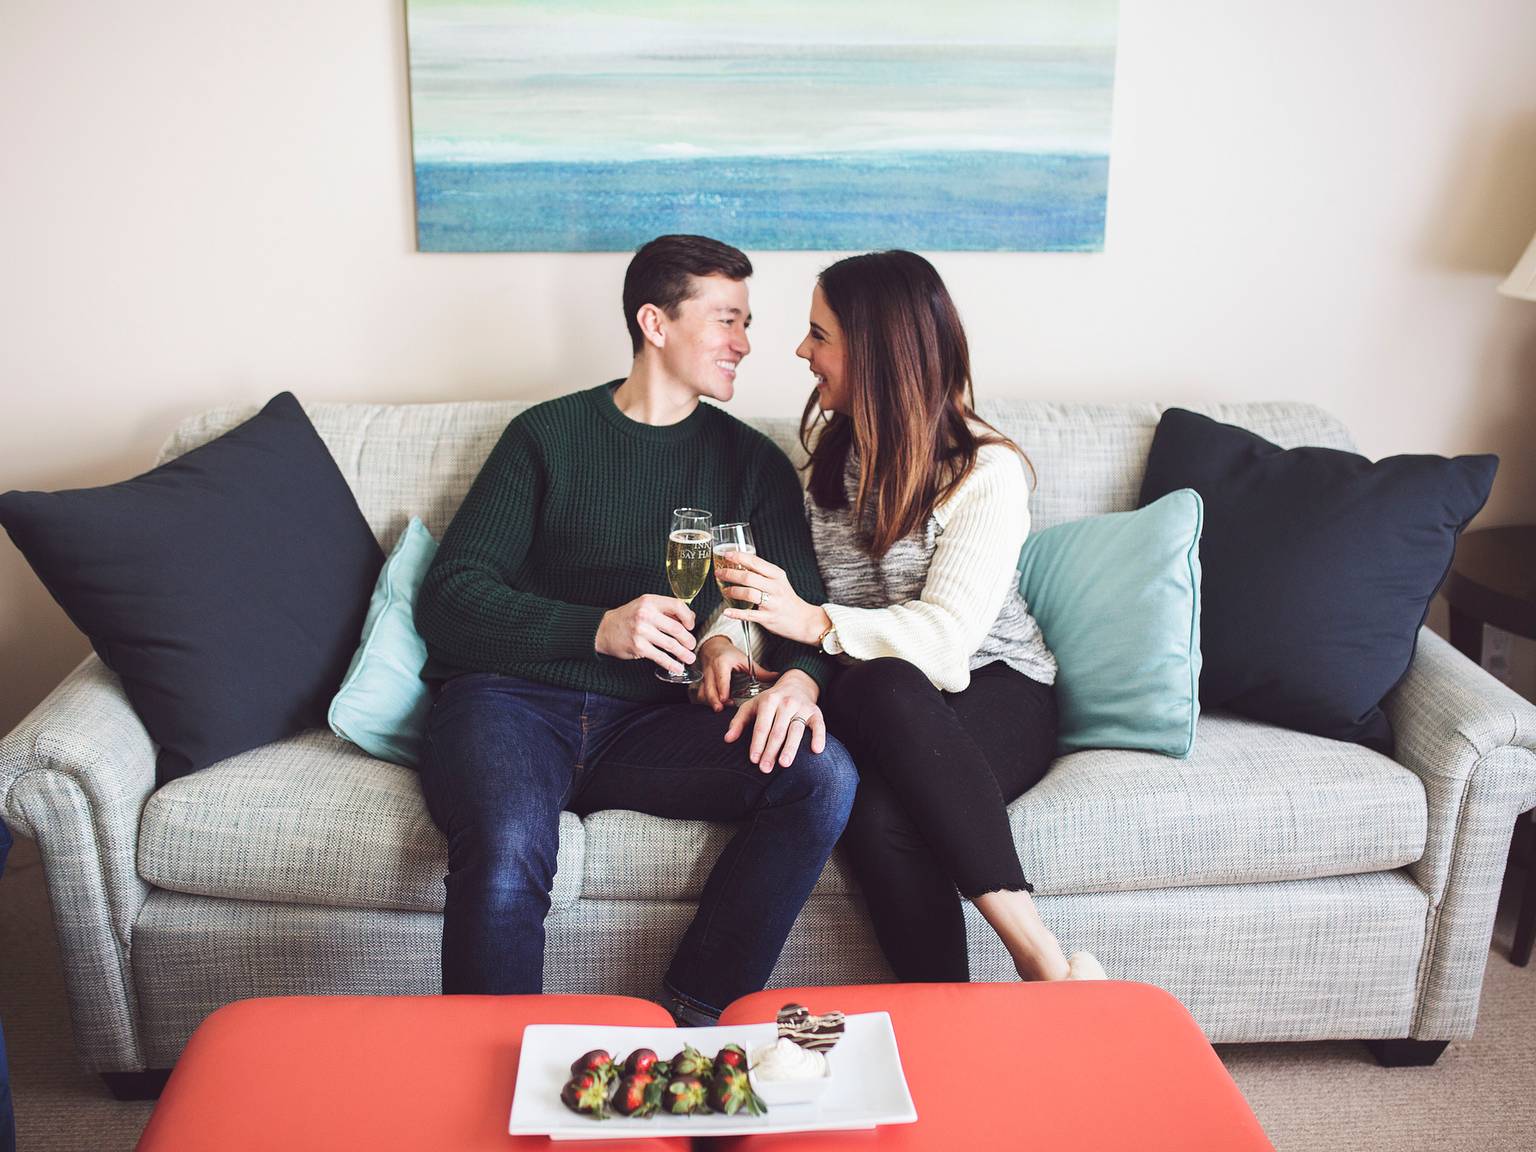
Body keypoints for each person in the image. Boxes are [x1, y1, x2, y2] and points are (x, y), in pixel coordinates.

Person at [413, 235, 856, 1027]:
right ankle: (485, 1080)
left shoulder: (751, 463)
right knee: (510, 844)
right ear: (655, 322)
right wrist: (597, 629)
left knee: (821, 776)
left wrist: (794, 679)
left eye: (746, 322)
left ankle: (690, 1021)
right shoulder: (546, 438)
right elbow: (449, 598)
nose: (746, 343)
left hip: (653, 724)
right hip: (511, 708)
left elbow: (803, 615)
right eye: (726, 320)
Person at [698, 250, 1104, 984]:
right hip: (875, 693)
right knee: (872, 776)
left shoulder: (985, 472)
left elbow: (947, 646)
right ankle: (958, 1023)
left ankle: (1037, 958)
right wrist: (726, 639)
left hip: (996, 684)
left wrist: (817, 624)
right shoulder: (823, 465)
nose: (800, 351)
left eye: (818, 334)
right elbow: (772, 592)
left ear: (876, 350)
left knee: (884, 760)